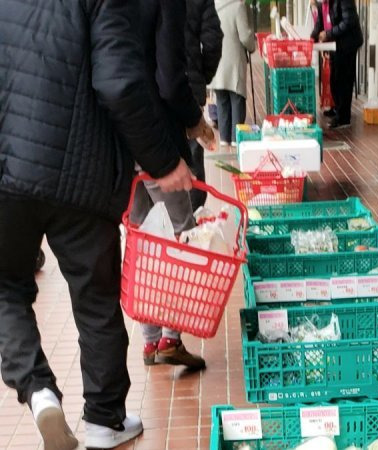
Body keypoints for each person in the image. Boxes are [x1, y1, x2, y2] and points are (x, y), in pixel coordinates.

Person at [0, 0, 199, 448]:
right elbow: (119, 83)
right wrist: (165, 162)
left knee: (5, 288)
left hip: (7, 174)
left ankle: (40, 393)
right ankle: (104, 420)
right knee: (95, 297)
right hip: (82, 174)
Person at [132, 0, 217, 371]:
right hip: (156, 140)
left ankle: (150, 341)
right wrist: (194, 118)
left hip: (121, 136)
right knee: (181, 235)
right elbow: (169, 79)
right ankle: (170, 337)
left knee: (140, 239)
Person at [186, 0, 224, 211]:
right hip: (189, 89)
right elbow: (212, 40)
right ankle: (191, 222)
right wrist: (202, 75)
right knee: (192, 154)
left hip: (152, 87)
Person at [312, 0, 363, 129]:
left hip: (348, 43)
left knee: (343, 79)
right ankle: (337, 109)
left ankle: (344, 117)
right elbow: (319, 25)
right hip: (335, 44)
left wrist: (328, 34)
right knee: (334, 79)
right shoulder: (322, 5)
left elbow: (349, 21)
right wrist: (311, 39)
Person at [211, 0, 256, 148]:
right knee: (237, 98)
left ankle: (224, 138)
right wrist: (252, 46)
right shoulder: (238, 6)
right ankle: (236, 138)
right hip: (234, 60)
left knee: (222, 99)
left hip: (216, 60)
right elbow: (245, 36)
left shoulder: (212, 5)